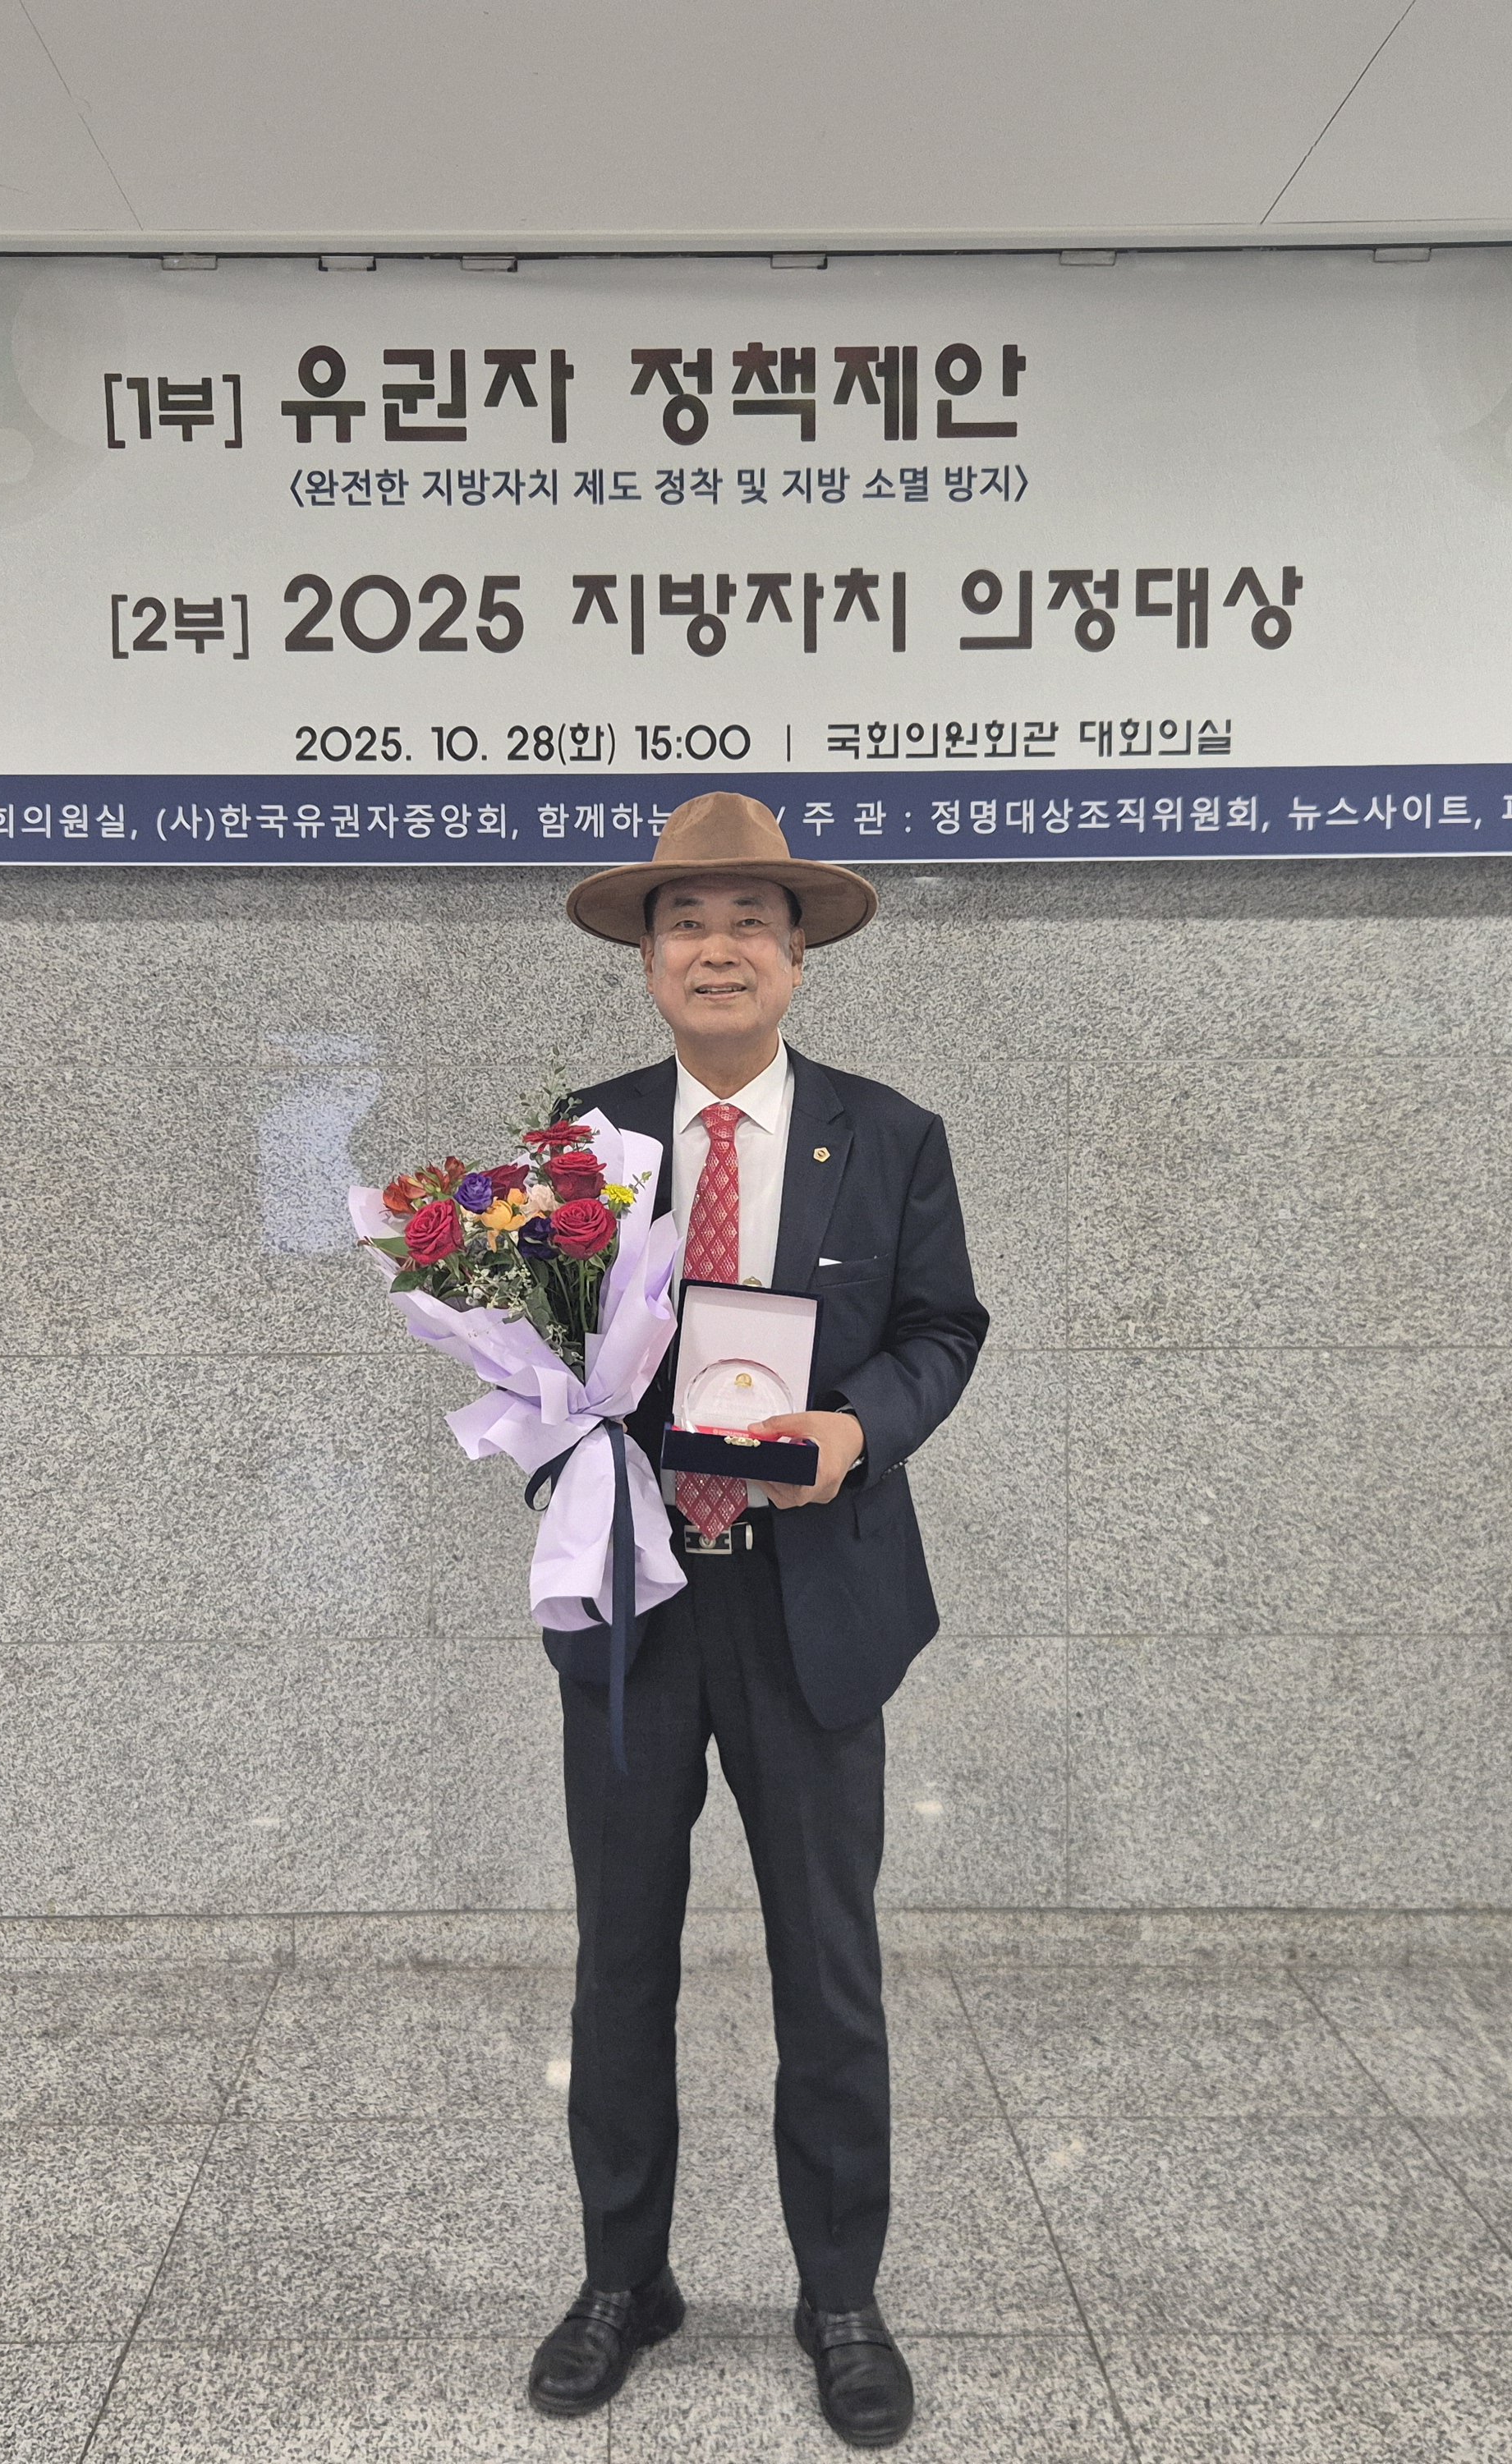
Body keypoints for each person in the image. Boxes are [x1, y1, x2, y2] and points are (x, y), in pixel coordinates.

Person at [526, 793, 986, 2448]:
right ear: (647, 958)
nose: (714, 949)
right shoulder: (582, 1141)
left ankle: (839, 2295)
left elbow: (943, 1328)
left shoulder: (890, 1135)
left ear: (797, 955)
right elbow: (538, 1348)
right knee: (617, 1962)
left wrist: (857, 1427)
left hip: (818, 1605)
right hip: (639, 1608)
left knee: (827, 1968)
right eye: (684, 922)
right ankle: (621, 2280)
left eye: (746, 923)